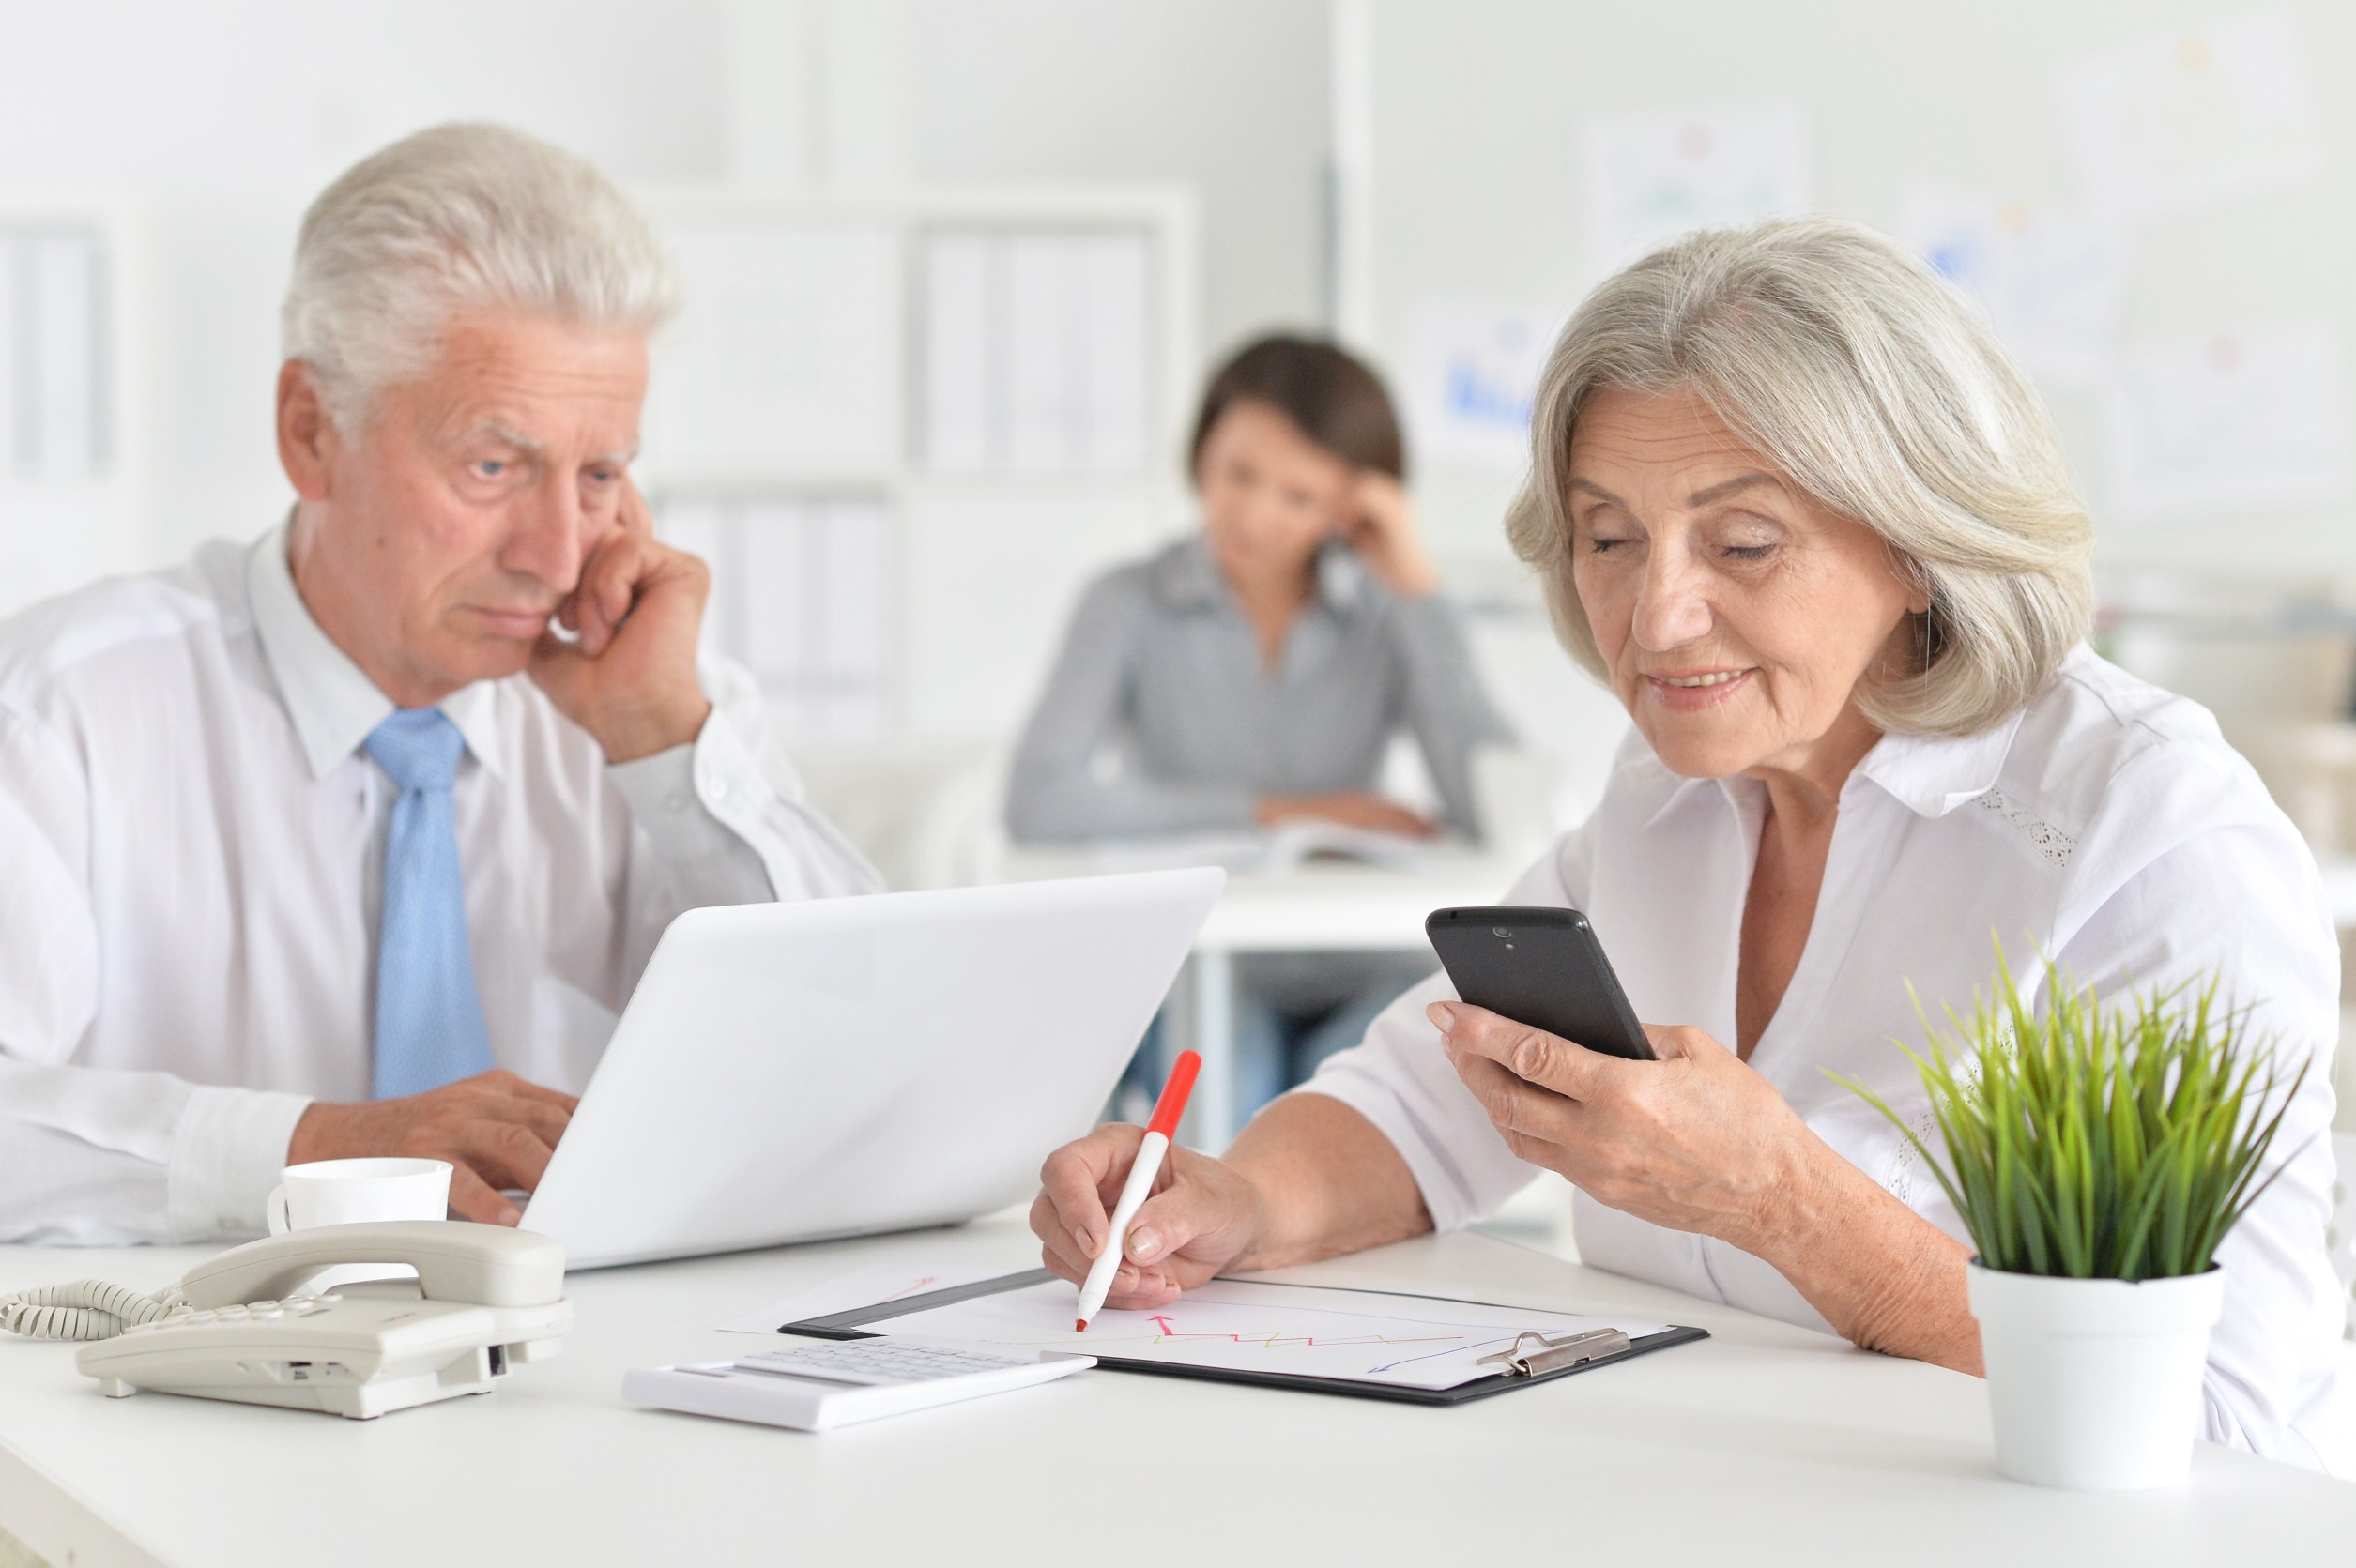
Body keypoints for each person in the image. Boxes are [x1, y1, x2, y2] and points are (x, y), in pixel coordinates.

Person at [1029, 218, 2350, 1472]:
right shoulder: (1667, 789)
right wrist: (1231, 1197)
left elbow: (2223, 1418)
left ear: (1918, 544)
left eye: (1744, 541)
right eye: (1608, 537)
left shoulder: (2149, 832)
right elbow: (1432, 1096)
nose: (1656, 616)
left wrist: (1785, 1202)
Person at [0, 124, 881, 1243]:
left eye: (602, 472)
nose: (559, 555)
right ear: (311, 432)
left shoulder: (642, 698)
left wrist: (666, 742)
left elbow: (866, 1063)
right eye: (493, 466)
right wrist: (318, 1148)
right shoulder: (59, 713)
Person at [1005, 336, 1512, 1111]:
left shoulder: (1387, 615)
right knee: (1231, 1107)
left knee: (1363, 1110)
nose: (1251, 514)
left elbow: (1493, 806)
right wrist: (1280, 812)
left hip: (1357, 962)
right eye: (1238, 474)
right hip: (1203, 962)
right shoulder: (1125, 603)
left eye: (1298, 497)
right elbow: (1040, 798)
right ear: (1202, 451)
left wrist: (1418, 591)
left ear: (1351, 508)